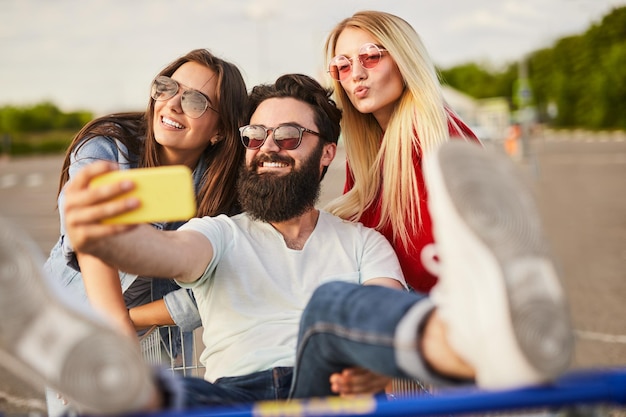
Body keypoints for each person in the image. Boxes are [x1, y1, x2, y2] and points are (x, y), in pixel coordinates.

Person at [0, 74, 573, 416]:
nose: (267, 146)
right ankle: (98, 366)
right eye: (256, 135)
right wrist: (105, 231)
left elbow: (381, 303)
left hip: (325, 391)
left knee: (328, 311)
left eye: (289, 136)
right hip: (234, 401)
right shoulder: (219, 233)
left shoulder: (362, 243)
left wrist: (379, 363)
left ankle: (489, 337)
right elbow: (159, 253)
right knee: (170, 396)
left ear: (326, 154)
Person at [41, 48, 248, 416]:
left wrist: (134, 322)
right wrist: (117, 339)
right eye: (167, 88)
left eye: (195, 101)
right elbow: (91, 244)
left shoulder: (223, 192)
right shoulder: (108, 146)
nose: (171, 105)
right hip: (75, 324)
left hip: (161, 341)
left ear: (219, 130)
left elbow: (211, 294)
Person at [322, 10, 480, 294]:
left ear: (404, 58)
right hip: (398, 316)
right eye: (342, 66)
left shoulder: (435, 135)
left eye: (371, 56)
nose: (356, 74)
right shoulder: (367, 154)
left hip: (443, 322)